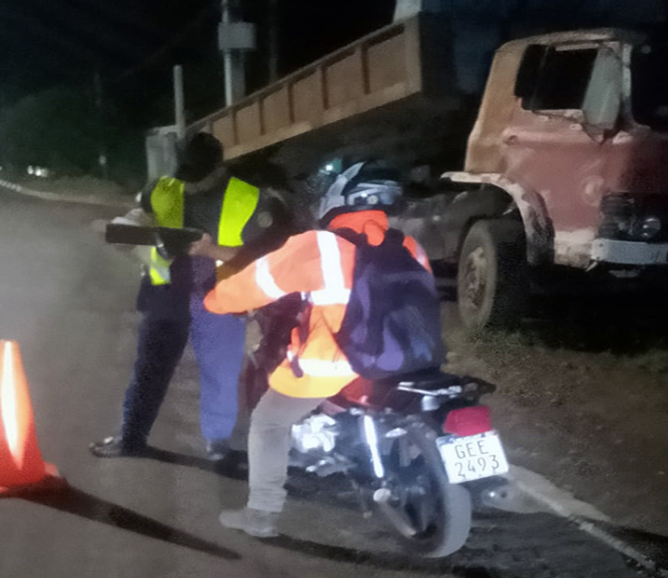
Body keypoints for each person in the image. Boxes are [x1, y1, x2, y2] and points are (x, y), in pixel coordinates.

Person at [199, 161, 431, 537]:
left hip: (334, 364)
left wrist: (213, 300)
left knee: (269, 422)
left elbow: (254, 284)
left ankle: (261, 514)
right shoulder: (409, 245)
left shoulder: (319, 246)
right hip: (406, 358)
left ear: (337, 199)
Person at [90, 132, 290, 461]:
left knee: (220, 373)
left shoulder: (248, 198)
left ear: (217, 168)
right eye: (185, 176)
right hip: (167, 294)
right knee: (149, 370)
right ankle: (131, 437)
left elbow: (261, 257)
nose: (190, 185)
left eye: (198, 177)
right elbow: (141, 215)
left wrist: (211, 249)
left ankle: (218, 445)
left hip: (221, 298)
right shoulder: (162, 188)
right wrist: (121, 228)